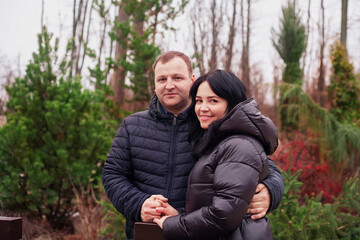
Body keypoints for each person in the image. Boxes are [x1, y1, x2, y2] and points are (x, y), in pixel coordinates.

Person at [102, 51, 284, 239]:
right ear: (154, 85)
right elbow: (112, 174)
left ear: (192, 80)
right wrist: (139, 205)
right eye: (162, 79)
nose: (169, 85)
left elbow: (262, 165)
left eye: (177, 77)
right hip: (148, 232)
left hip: (198, 232)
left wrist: (271, 191)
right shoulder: (132, 126)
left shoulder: (210, 123)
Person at [153, 69, 277, 239]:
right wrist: (179, 214)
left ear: (231, 103)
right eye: (198, 101)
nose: (203, 108)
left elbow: (223, 216)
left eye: (213, 101)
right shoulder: (217, 141)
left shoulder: (239, 146)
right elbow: (214, 201)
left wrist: (172, 224)